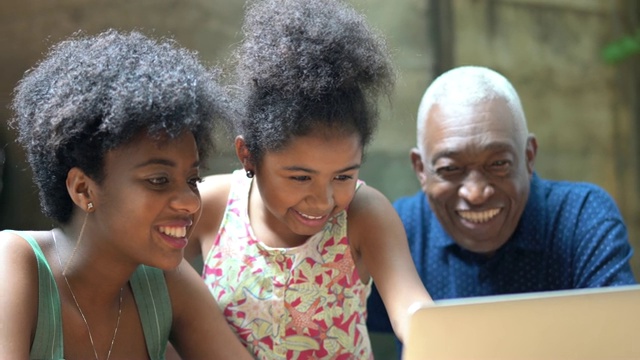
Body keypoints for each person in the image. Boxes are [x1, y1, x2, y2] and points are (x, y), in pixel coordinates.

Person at [186, 0, 433, 358]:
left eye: (344, 176)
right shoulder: (211, 207)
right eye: (301, 177)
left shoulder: (365, 215)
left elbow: (414, 313)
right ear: (248, 155)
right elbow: (153, 294)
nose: (323, 200)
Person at [0, 29, 253, 360]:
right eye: (159, 180)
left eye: (192, 179)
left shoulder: (165, 282)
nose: (191, 202)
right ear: (83, 189)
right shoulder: (14, 264)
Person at [366, 65, 637, 355]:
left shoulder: (581, 219)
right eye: (450, 169)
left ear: (529, 157)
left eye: (498, 164)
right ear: (421, 169)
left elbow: (621, 344)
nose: (476, 192)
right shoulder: (401, 231)